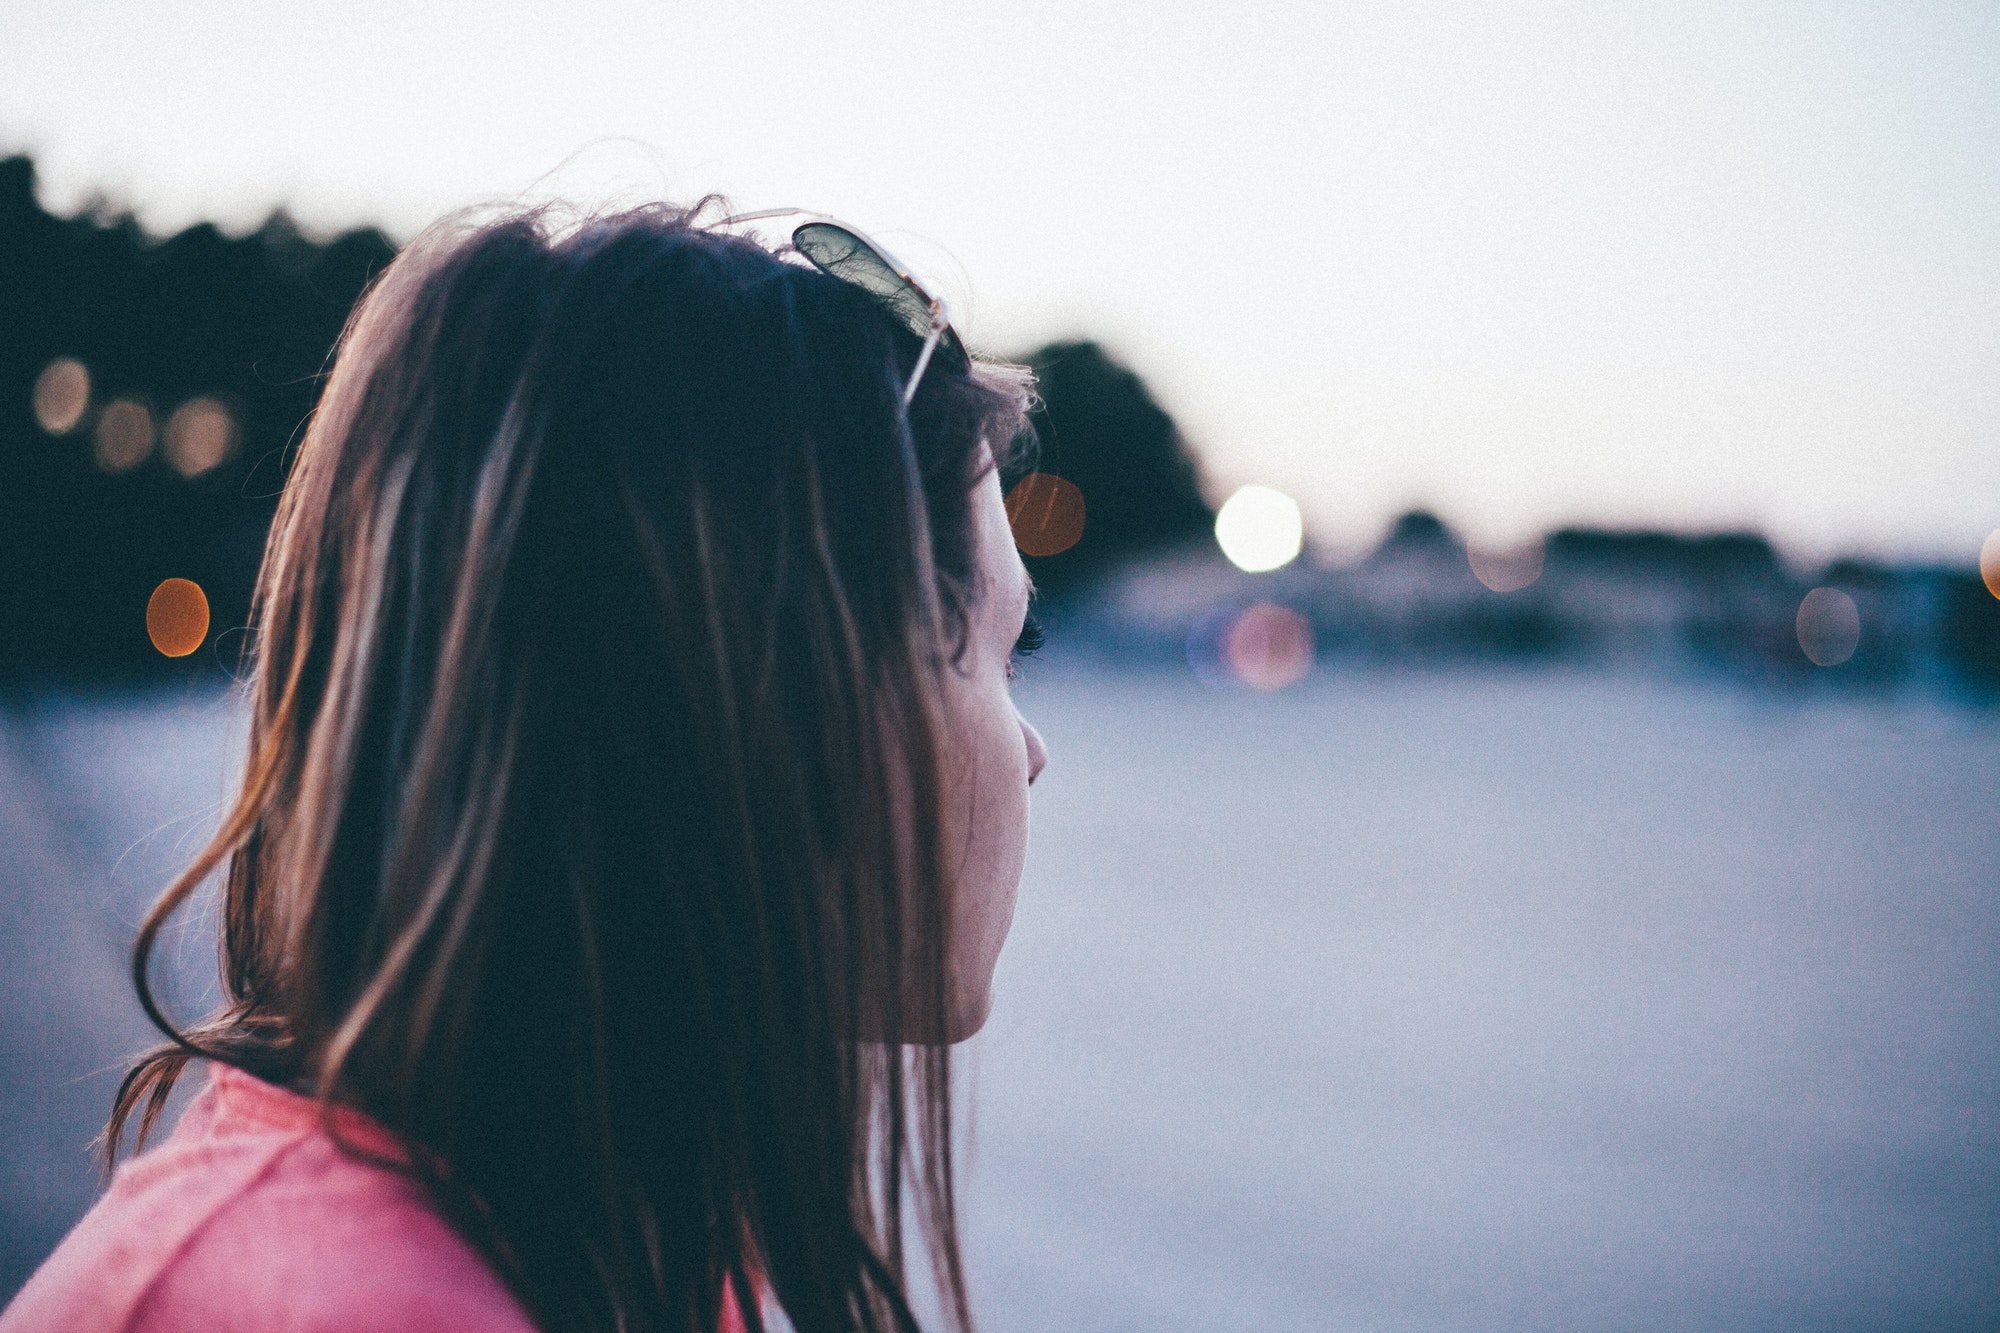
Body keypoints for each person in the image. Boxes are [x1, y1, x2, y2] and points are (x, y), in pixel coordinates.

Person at [0, 199, 1049, 1333]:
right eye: (994, 652)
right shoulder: (364, 1303)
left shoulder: (601, 1219)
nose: (1029, 752)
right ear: (765, 698)